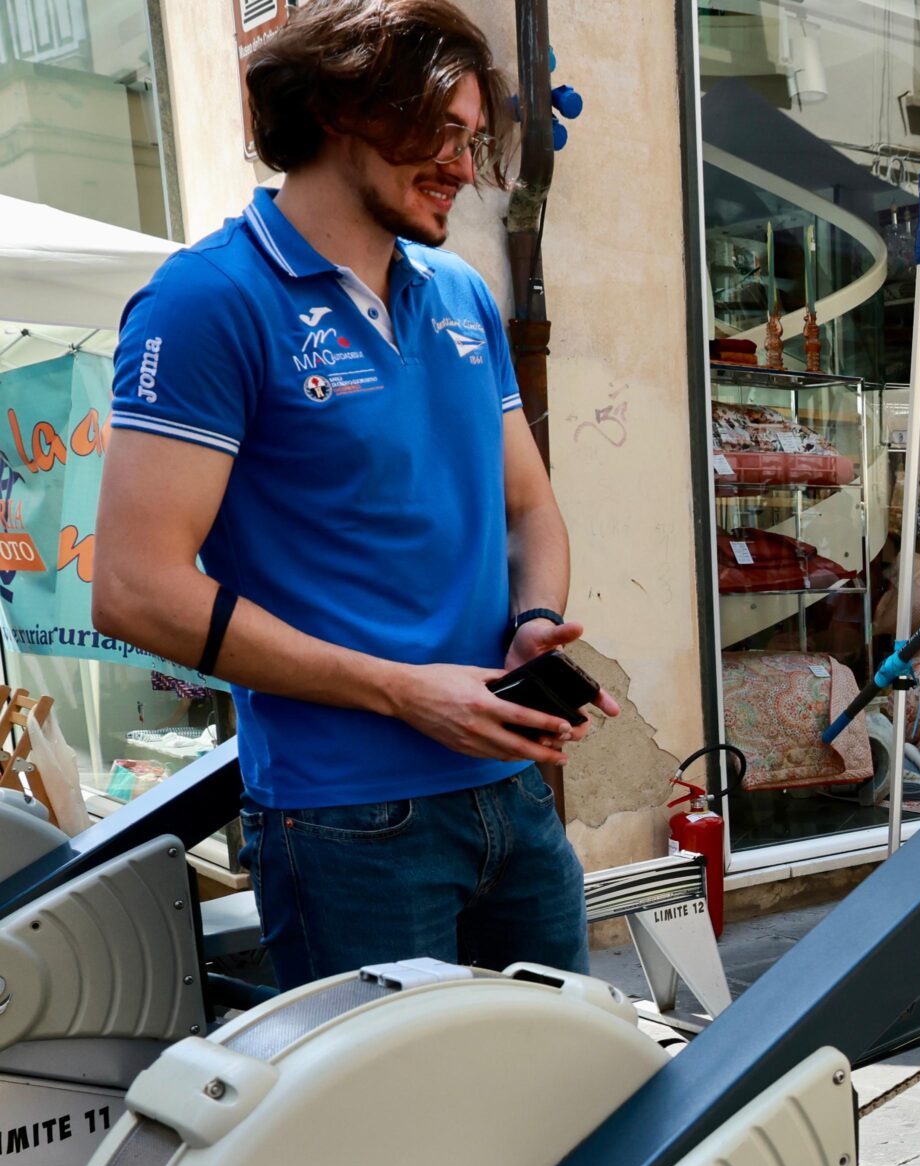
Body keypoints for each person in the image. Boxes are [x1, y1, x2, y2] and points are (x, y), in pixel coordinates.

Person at [92, 0, 615, 988]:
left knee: (571, 1078)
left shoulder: (460, 292)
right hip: (345, 821)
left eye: (473, 138)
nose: (463, 167)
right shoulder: (206, 300)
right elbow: (133, 588)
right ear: (343, 110)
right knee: (394, 1096)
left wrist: (534, 623)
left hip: (511, 791)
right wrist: (403, 690)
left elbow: (529, 509)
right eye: (441, 131)